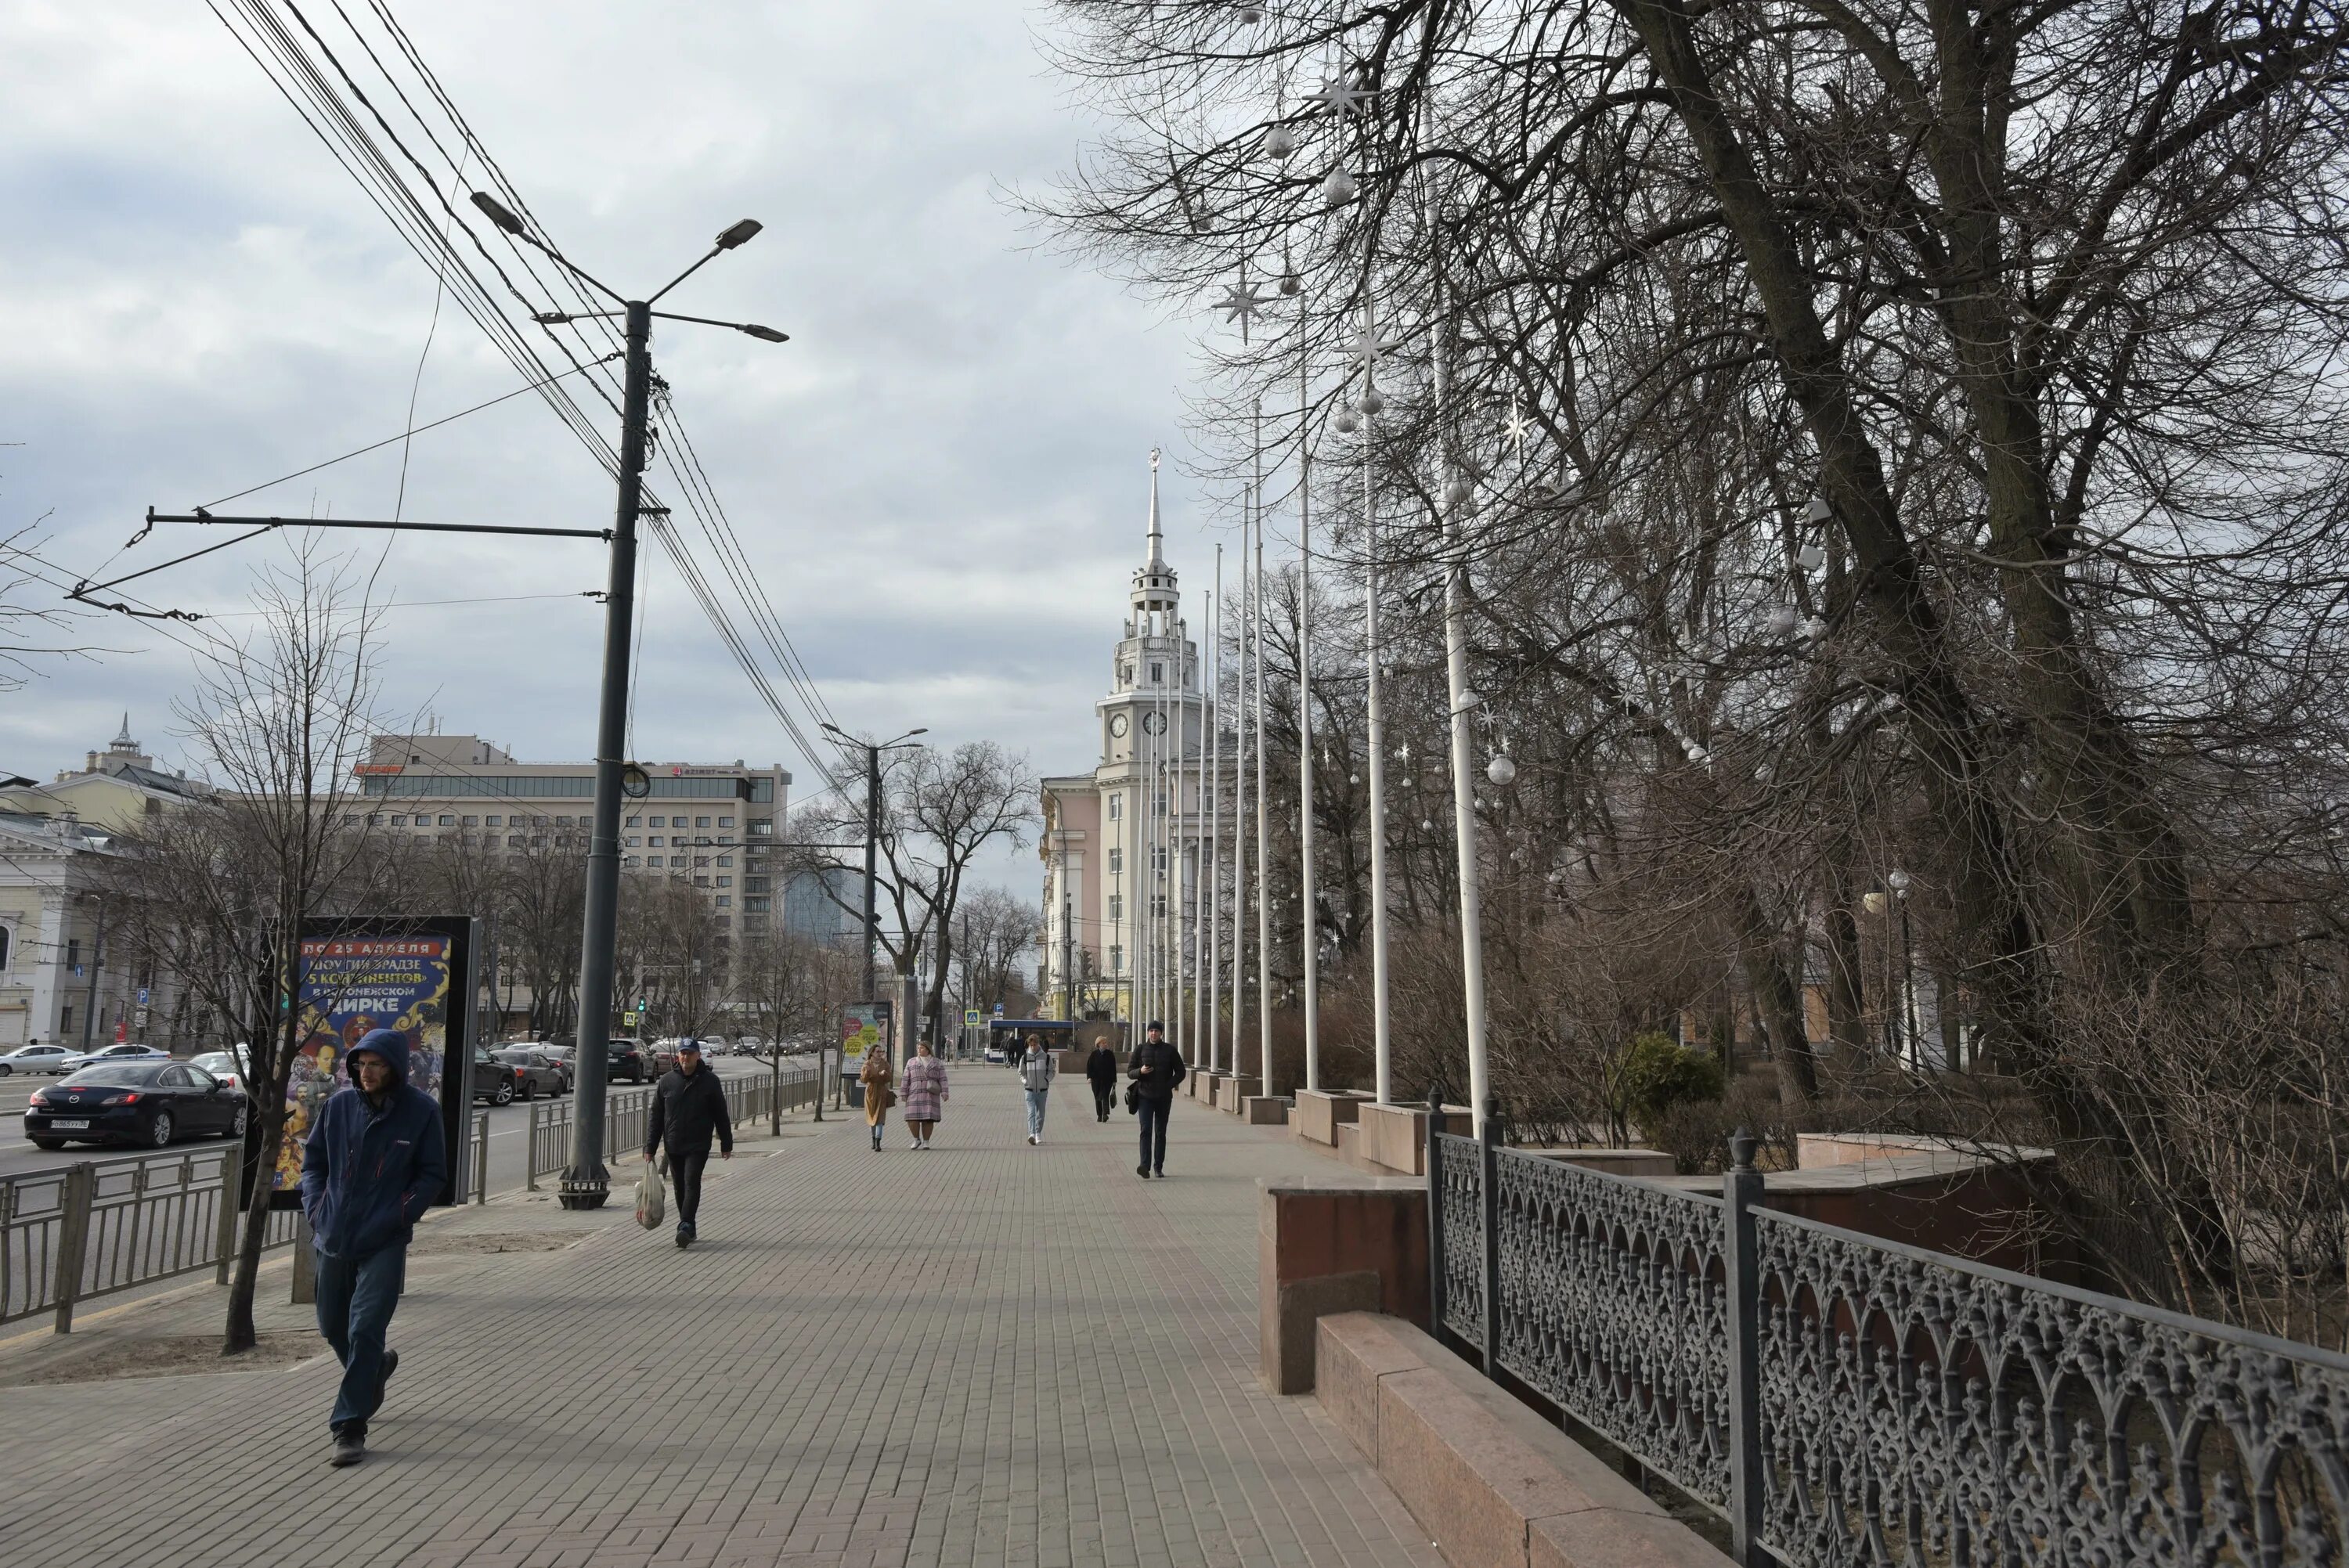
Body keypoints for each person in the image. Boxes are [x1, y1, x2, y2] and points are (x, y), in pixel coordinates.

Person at [301, 1026, 447, 1468]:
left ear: (396, 1068)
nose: (367, 1073)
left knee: (365, 1329)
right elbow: (314, 1164)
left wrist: (401, 1214)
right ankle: (375, 1370)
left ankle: (349, 1426)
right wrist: (317, 1208)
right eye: (361, 1065)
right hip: (334, 1234)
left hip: (384, 1239)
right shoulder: (339, 1107)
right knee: (332, 1326)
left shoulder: (420, 1112)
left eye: (376, 1065)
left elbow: (432, 1175)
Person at [643, 1038, 732, 1248]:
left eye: (690, 1053)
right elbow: (656, 1116)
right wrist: (650, 1148)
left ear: (698, 1056)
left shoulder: (710, 1081)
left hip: (698, 1144)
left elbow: (721, 1114)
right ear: (678, 1056)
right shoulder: (667, 1081)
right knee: (679, 1186)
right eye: (683, 1053)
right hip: (673, 1144)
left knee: (692, 1181)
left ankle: (685, 1224)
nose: (685, 1057)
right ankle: (688, 1225)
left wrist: (726, 1143)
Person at [1128, 1020, 1185, 1179]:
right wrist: (1140, 1071)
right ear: (1148, 1033)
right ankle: (1144, 1166)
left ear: (1161, 1033)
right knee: (1145, 1130)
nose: (1154, 1033)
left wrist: (1168, 1085)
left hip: (1163, 1097)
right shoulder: (1140, 1049)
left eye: (1157, 1031)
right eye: (1151, 1031)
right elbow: (1130, 1072)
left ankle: (1158, 1167)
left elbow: (1181, 1072)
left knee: (1160, 1132)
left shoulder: (1170, 1050)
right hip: (1144, 1096)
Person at [900, 1038, 949, 1149]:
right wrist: (904, 1093)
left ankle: (926, 1141)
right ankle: (916, 1139)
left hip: (930, 1094)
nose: (919, 1049)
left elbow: (943, 1078)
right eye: (918, 1048)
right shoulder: (911, 1061)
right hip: (914, 1093)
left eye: (921, 1048)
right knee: (912, 1118)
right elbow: (905, 1078)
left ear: (928, 1049)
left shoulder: (937, 1062)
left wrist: (945, 1092)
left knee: (928, 1119)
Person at [1019, 1031, 1055, 1144]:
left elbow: (1052, 1071)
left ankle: (1038, 1133)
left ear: (1038, 1044)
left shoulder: (1046, 1057)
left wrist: (1046, 1080)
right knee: (1031, 1113)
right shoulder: (1024, 1057)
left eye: (1035, 1045)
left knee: (1041, 1114)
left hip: (1042, 1090)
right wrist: (1025, 1081)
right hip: (1029, 1090)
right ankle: (1032, 1134)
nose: (1033, 1047)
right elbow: (1021, 1072)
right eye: (1031, 1045)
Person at [861, 1045, 894, 1152]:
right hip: (870, 1092)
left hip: (881, 1091)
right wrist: (867, 1072)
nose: (880, 1053)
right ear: (872, 1053)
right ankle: (873, 1139)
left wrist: (884, 1075)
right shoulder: (867, 1064)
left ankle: (878, 1142)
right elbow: (863, 1080)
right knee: (871, 1117)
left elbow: (889, 1078)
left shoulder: (885, 1064)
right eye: (878, 1051)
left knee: (879, 1118)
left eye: (881, 1051)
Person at [1084, 1036, 1120, 1122]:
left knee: (1105, 1096)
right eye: (1103, 1043)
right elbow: (1089, 1067)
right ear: (1099, 1044)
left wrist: (1114, 1080)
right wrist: (1089, 1077)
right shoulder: (1094, 1055)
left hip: (1107, 1080)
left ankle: (1105, 1114)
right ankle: (1099, 1115)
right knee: (1097, 1097)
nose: (1105, 1044)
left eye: (1106, 1043)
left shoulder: (1110, 1054)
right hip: (1096, 1081)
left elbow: (1113, 1068)